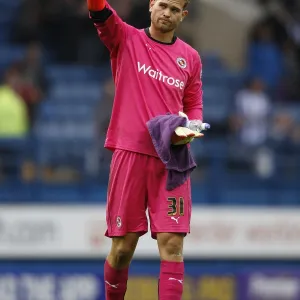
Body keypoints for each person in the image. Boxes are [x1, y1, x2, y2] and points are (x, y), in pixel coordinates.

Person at [87, 0, 203, 299]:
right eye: (163, 5)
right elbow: (99, 10)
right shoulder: (126, 38)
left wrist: (194, 127)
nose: (167, 13)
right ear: (151, 6)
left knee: (173, 245)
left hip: (172, 160)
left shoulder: (190, 58)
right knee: (123, 248)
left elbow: (193, 104)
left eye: (175, 9)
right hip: (131, 154)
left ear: (183, 15)